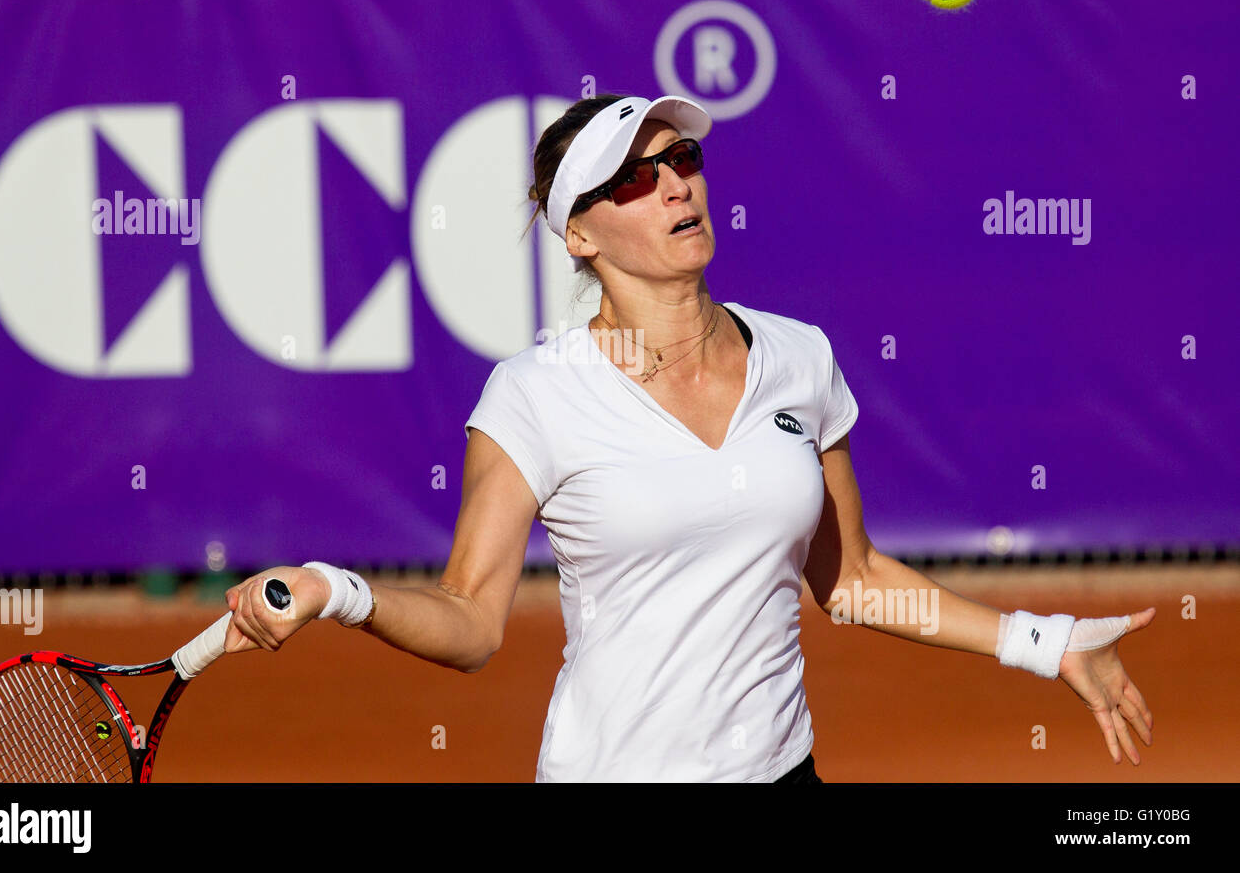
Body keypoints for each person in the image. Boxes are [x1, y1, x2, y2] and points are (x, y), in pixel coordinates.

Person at [222, 93, 1155, 782]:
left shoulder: (800, 357)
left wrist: (1049, 642)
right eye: (634, 178)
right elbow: (470, 623)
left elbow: (856, 581)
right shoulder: (535, 395)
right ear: (579, 233)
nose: (674, 185)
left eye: (683, 162)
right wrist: (334, 590)